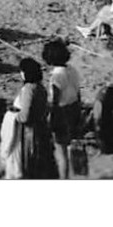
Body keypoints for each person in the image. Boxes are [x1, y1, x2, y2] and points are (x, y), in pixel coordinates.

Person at [0, 57, 56, 180]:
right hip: (41, 132)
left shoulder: (28, 89)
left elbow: (25, 116)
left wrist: (12, 115)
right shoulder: (41, 88)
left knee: (26, 167)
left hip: (28, 134)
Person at [43, 38, 84, 179]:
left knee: (61, 154)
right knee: (72, 147)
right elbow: (79, 93)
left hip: (61, 112)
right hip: (74, 108)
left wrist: (49, 118)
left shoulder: (56, 77)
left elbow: (54, 100)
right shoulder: (72, 70)